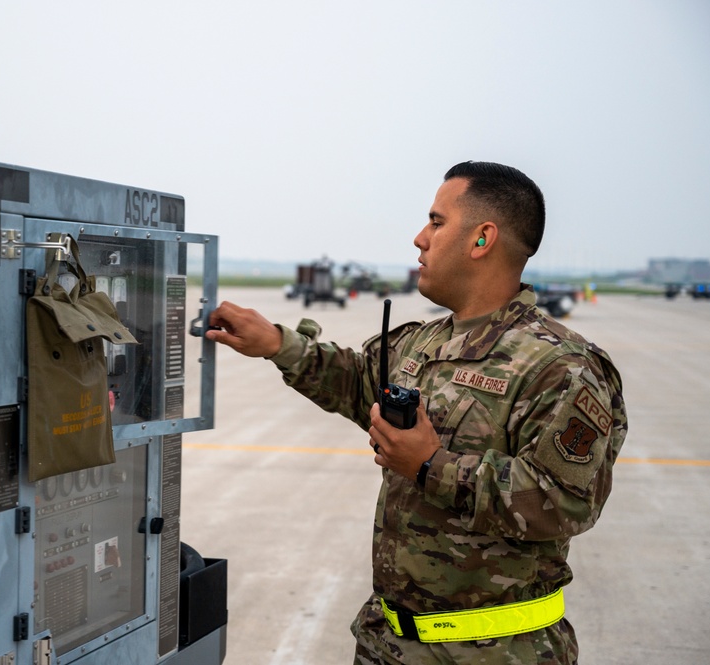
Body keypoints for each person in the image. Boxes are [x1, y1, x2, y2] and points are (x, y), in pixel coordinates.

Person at [205, 161, 627, 665]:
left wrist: (432, 466)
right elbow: (360, 383)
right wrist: (278, 344)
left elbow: (564, 502)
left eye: (436, 222)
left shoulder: (560, 366)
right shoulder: (422, 343)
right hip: (388, 644)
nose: (419, 239)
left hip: (496, 654)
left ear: (481, 239)